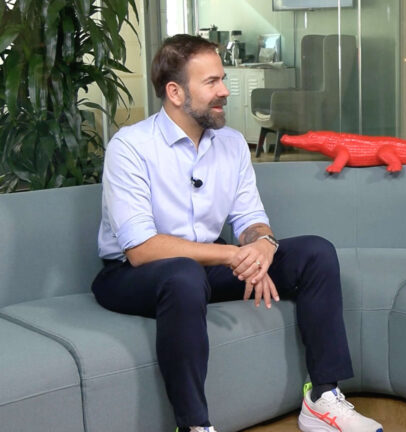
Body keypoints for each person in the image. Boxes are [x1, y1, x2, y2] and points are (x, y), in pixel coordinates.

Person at [91, 34, 383, 432]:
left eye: (222, 79)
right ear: (175, 92)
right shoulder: (131, 147)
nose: (225, 91)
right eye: (211, 82)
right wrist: (233, 256)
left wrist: (262, 246)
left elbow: (250, 220)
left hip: (205, 265)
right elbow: (142, 249)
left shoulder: (230, 144)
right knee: (182, 275)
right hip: (132, 274)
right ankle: (194, 425)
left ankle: (321, 399)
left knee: (315, 253)